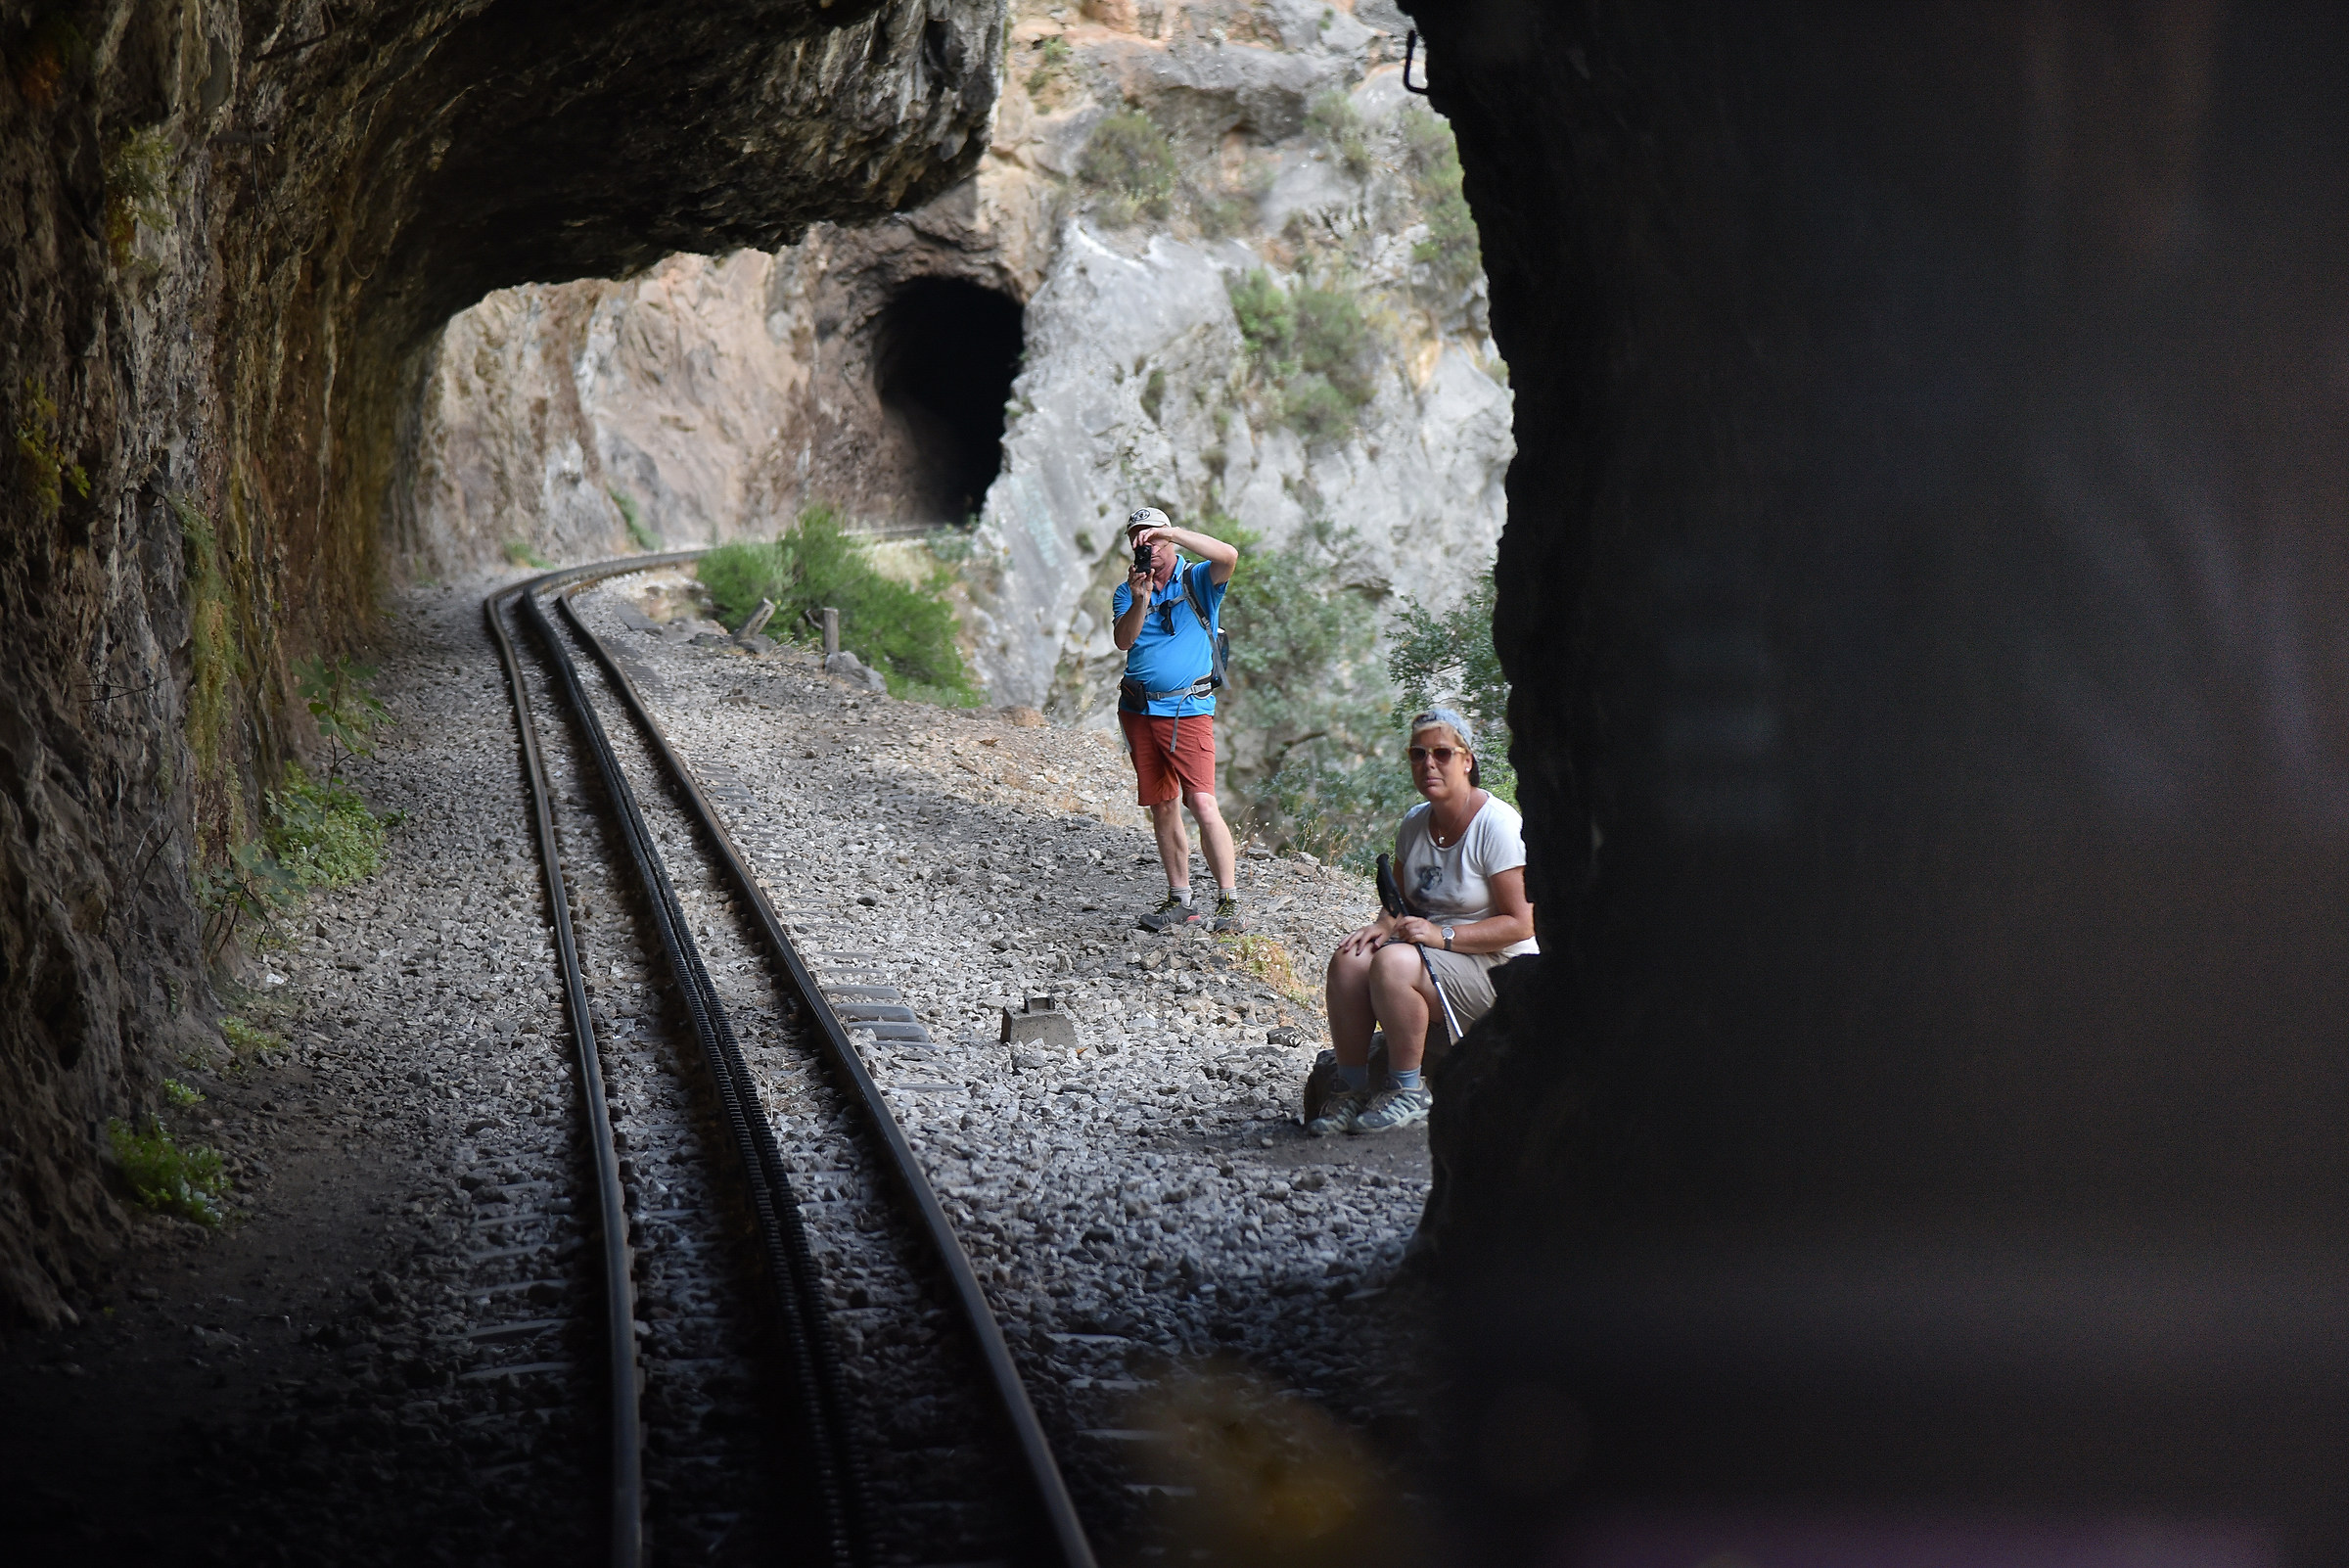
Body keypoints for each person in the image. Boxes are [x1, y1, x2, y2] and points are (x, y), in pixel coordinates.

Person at [1310, 708, 1537, 1134]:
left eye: (1442, 753)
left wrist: (1442, 935)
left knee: (1393, 963)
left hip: (1499, 971)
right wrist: (1382, 925)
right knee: (1350, 959)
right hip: (1432, 960)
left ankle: (1408, 1089)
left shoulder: (1497, 825)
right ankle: (1350, 1089)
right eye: (1418, 754)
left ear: (1466, 760)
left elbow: (1523, 924)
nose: (1428, 763)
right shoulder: (1415, 823)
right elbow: (1398, 904)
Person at [1112, 506, 1243, 934]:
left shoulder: (1198, 580)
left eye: (1154, 539)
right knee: (1162, 805)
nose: (1147, 546)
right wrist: (1139, 600)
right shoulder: (1127, 589)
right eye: (1139, 539)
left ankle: (1228, 902)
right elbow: (1123, 640)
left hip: (1187, 711)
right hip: (1138, 709)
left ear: (1169, 538)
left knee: (1202, 802)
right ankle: (1180, 899)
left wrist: (1173, 532)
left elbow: (1229, 556)